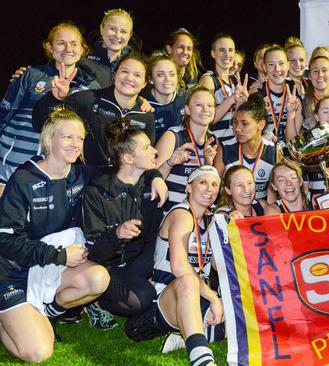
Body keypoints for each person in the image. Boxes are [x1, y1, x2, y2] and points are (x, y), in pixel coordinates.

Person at [0, 108, 109, 362]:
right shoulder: (24, 178)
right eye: (67, 137)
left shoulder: (81, 173)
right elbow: (4, 240)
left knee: (98, 279)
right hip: (13, 273)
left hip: (48, 268)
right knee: (38, 352)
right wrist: (58, 255)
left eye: (80, 138)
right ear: (49, 140)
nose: (75, 144)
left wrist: (156, 174)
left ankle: (47, 311)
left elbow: (122, 170)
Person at [125, 165, 225, 366]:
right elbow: (179, 267)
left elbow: (218, 266)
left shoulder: (210, 221)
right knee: (188, 281)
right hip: (162, 300)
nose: (209, 188)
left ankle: (186, 334)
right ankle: (202, 359)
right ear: (189, 187)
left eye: (214, 184)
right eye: (202, 182)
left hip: (194, 297)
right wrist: (213, 298)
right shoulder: (181, 214)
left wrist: (227, 229)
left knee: (238, 316)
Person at [0, 22, 111, 194]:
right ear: (49, 47)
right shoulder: (31, 75)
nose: (68, 48)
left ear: (83, 49)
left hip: (56, 174)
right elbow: (5, 112)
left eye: (74, 44)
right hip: (13, 165)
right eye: (61, 43)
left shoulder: (92, 88)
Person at [82, 117, 165, 330]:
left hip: (134, 265)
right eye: (147, 148)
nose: (155, 151)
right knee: (143, 298)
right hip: (103, 268)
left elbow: (151, 242)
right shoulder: (97, 192)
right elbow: (94, 254)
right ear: (128, 158)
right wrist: (117, 234)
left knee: (152, 290)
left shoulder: (151, 190)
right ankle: (94, 300)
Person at [33, 54, 155, 172]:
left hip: (123, 187)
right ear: (115, 75)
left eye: (137, 75)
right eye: (124, 71)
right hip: (85, 182)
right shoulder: (88, 100)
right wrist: (55, 98)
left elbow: (148, 157)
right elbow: (40, 124)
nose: (129, 78)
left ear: (145, 83)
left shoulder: (146, 116)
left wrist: (156, 177)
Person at [156, 86, 218, 211]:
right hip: (170, 212)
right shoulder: (173, 136)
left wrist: (207, 164)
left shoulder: (213, 139)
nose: (205, 109)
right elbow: (151, 180)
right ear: (187, 110)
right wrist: (169, 163)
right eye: (199, 105)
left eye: (210, 105)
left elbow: (210, 186)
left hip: (197, 214)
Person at [214, 96, 275, 203]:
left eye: (244, 123)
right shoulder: (225, 148)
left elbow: (273, 192)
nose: (237, 128)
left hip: (261, 211)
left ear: (261, 125)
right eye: (236, 122)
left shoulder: (274, 151)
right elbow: (215, 187)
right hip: (232, 211)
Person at [199, 34, 249, 144]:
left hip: (235, 143)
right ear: (213, 54)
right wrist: (231, 99)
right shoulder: (208, 80)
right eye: (222, 50)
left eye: (230, 50)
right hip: (216, 146)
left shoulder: (235, 81)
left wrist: (242, 104)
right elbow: (206, 119)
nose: (227, 54)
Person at [256, 45, 299, 142]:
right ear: (264, 67)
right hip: (265, 151)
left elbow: (293, 141)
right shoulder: (257, 94)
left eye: (281, 63)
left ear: (288, 65)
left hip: (289, 152)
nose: (277, 69)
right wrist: (261, 138)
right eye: (271, 64)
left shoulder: (294, 92)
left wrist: (291, 112)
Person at [143, 53, 187, 140]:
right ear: (151, 79)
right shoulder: (143, 106)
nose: (167, 79)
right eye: (160, 75)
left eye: (172, 74)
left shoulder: (186, 101)